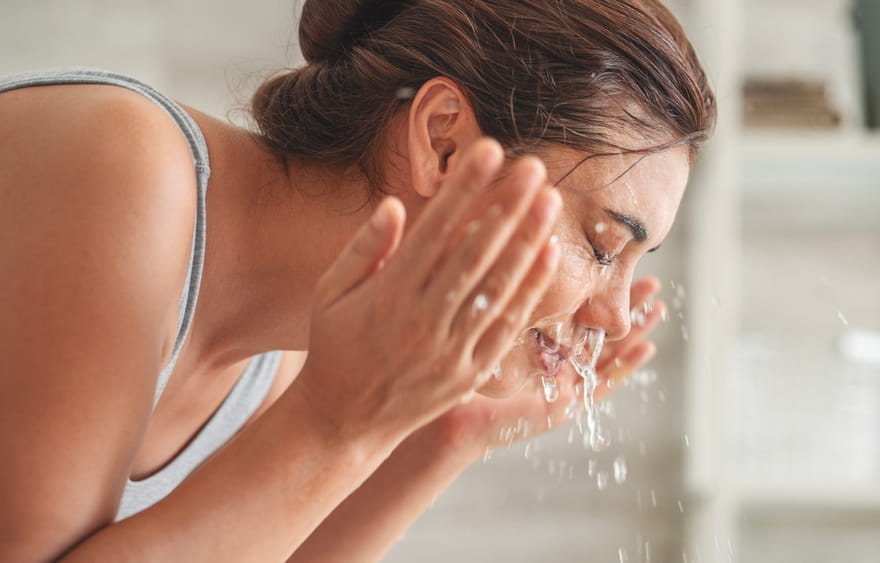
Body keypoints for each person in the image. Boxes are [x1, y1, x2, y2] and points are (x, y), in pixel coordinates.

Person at [0, 0, 714, 560]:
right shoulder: (124, 174)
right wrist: (337, 425)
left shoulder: (275, 359)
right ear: (445, 142)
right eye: (601, 243)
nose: (617, 316)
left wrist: (446, 436)